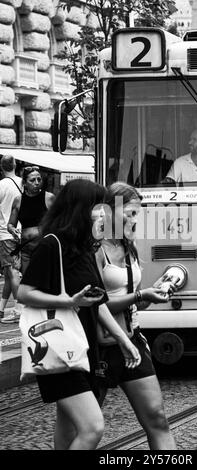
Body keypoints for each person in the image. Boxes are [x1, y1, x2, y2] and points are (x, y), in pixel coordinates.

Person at [17, 179, 141, 450]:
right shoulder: (52, 245)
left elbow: (98, 304)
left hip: (83, 349)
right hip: (60, 347)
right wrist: (67, 300)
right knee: (92, 427)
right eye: (98, 208)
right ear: (80, 209)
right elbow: (24, 292)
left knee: (68, 429)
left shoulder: (84, 248)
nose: (103, 214)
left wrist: (125, 340)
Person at [95, 182, 177, 450]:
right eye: (129, 213)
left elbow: (134, 301)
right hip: (99, 347)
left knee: (157, 419)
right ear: (109, 211)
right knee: (85, 428)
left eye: (137, 214)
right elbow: (96, 305)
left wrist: (152, 296)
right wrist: (141, 296)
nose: (134, 219)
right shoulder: (96, 250)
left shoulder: (129, 247)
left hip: (132, 339)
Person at [8, 166, 55, 274]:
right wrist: (12, 230)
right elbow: (11, 224)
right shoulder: (18, 200)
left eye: (39, 179)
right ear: (24, 183)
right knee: (27, 280)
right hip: (26, 248)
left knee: (42, 279)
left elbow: (58, 221)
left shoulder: (48, 197)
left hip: (44, 247)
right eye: (32, 180)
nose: (37, 182)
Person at [0, 155, 22, 323]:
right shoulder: (24, 183)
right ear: (15, 165)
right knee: (9, 272)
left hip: (6, 233)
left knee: (12, 272)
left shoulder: (1, 185)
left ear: (2, 167)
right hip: (22, 232)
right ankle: (1, 309)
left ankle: (19, 310)